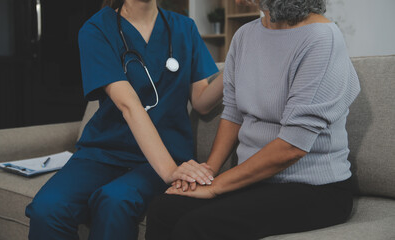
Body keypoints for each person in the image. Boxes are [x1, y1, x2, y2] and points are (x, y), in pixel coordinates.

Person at [145, 0, 361, 239]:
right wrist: (207, 174)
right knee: (164, 208)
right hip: (255, 182)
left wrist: (216, 187)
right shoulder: (245, 35)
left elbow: (292, 147)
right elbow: (233, 113)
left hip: (315, 189)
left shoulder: (322, 39)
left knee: (197, 227)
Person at [25, 0, 224, 239]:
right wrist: (171, 172)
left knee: (115, 201)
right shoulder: (97, 29)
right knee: (47, 209)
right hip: (104, 152)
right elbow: (127, 104)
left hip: (164, 154)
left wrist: (233, 66)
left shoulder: (185, 28)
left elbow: (201, 101)